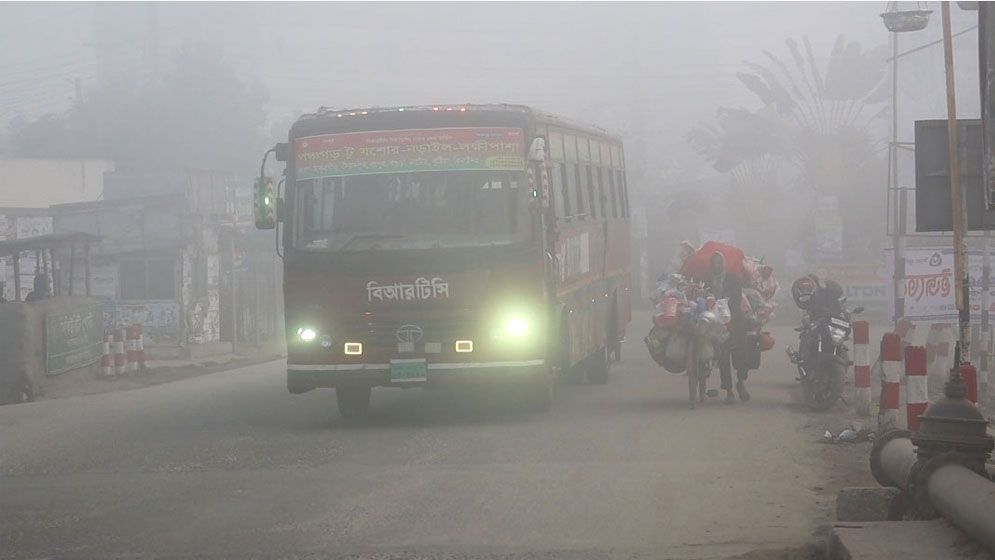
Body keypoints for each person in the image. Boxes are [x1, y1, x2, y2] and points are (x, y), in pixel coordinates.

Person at [704, 251, 751, 403]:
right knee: (723, 356)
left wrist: (722, 302)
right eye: (714, 263)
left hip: (735, 320)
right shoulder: (705, 281)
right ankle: (729, 391)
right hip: (716, 322)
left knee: (741, 354)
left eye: (719, 262)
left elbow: (736, 299)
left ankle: (741, 382)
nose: (716, 266)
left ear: (723, 264)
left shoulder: (733, 279)